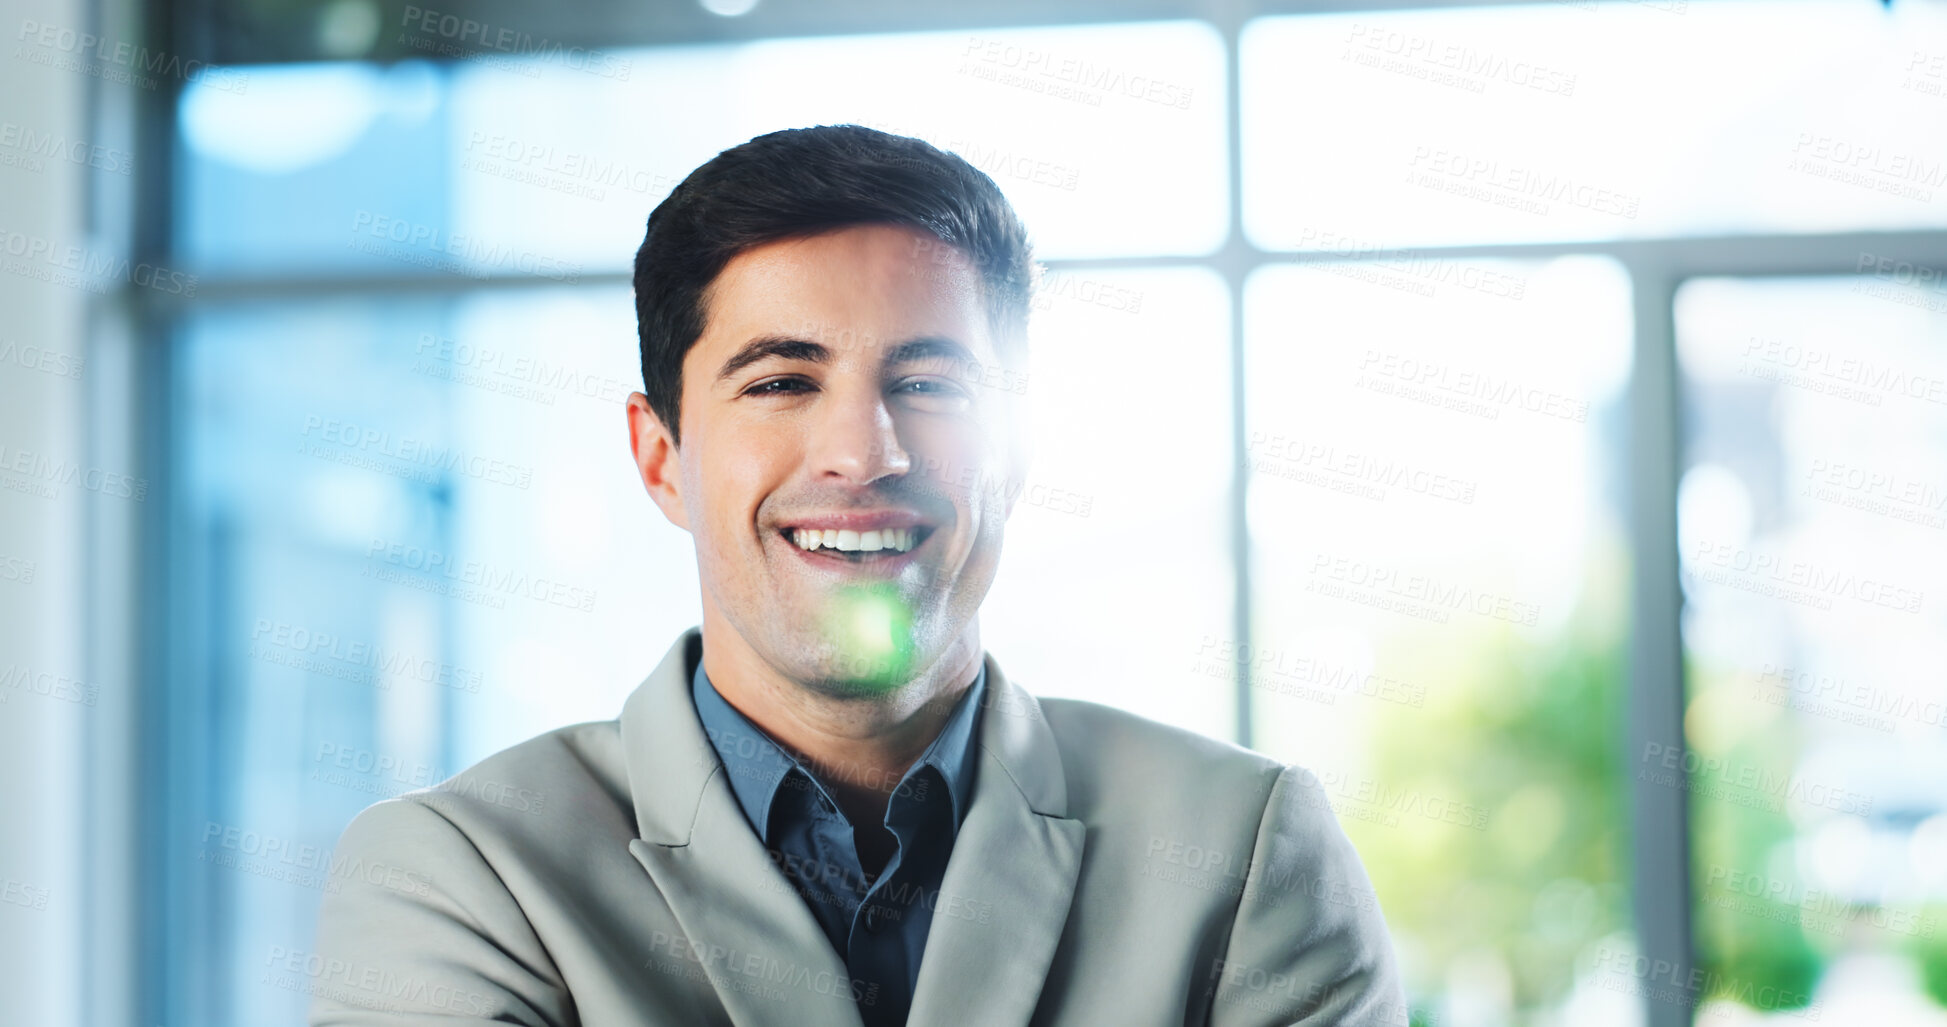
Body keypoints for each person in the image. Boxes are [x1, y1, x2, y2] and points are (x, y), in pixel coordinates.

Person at [309, 124, 1405, 1027]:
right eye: (782, 381)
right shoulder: (465, 875)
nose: (863, 453)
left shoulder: (1244, 850)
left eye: (928, 383)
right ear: (661, 459)